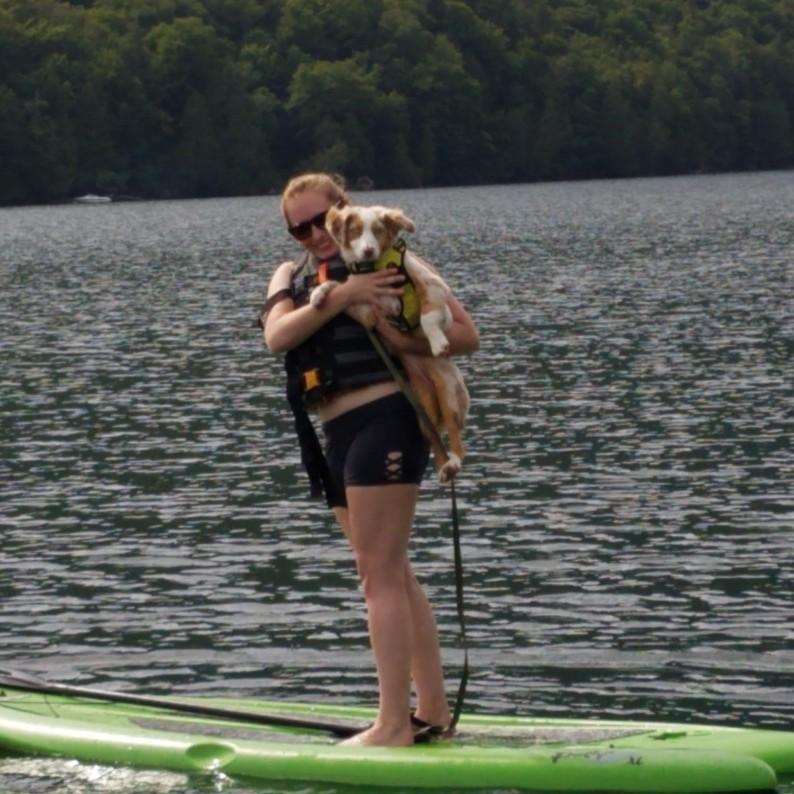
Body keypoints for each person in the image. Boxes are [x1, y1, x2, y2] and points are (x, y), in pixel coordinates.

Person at [260, 172, 479, 746]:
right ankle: (428, 710)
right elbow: (278, 337)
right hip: (337, 435)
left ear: (344, 208)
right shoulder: (307, 281)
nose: (313, 234)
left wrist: (393, 328)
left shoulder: (394, 261)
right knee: (393, 574)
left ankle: (391, 724)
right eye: (299, 227)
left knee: (377, 576)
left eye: (318, 218)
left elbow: (465, 334)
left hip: (386, 419)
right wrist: (310, 290)